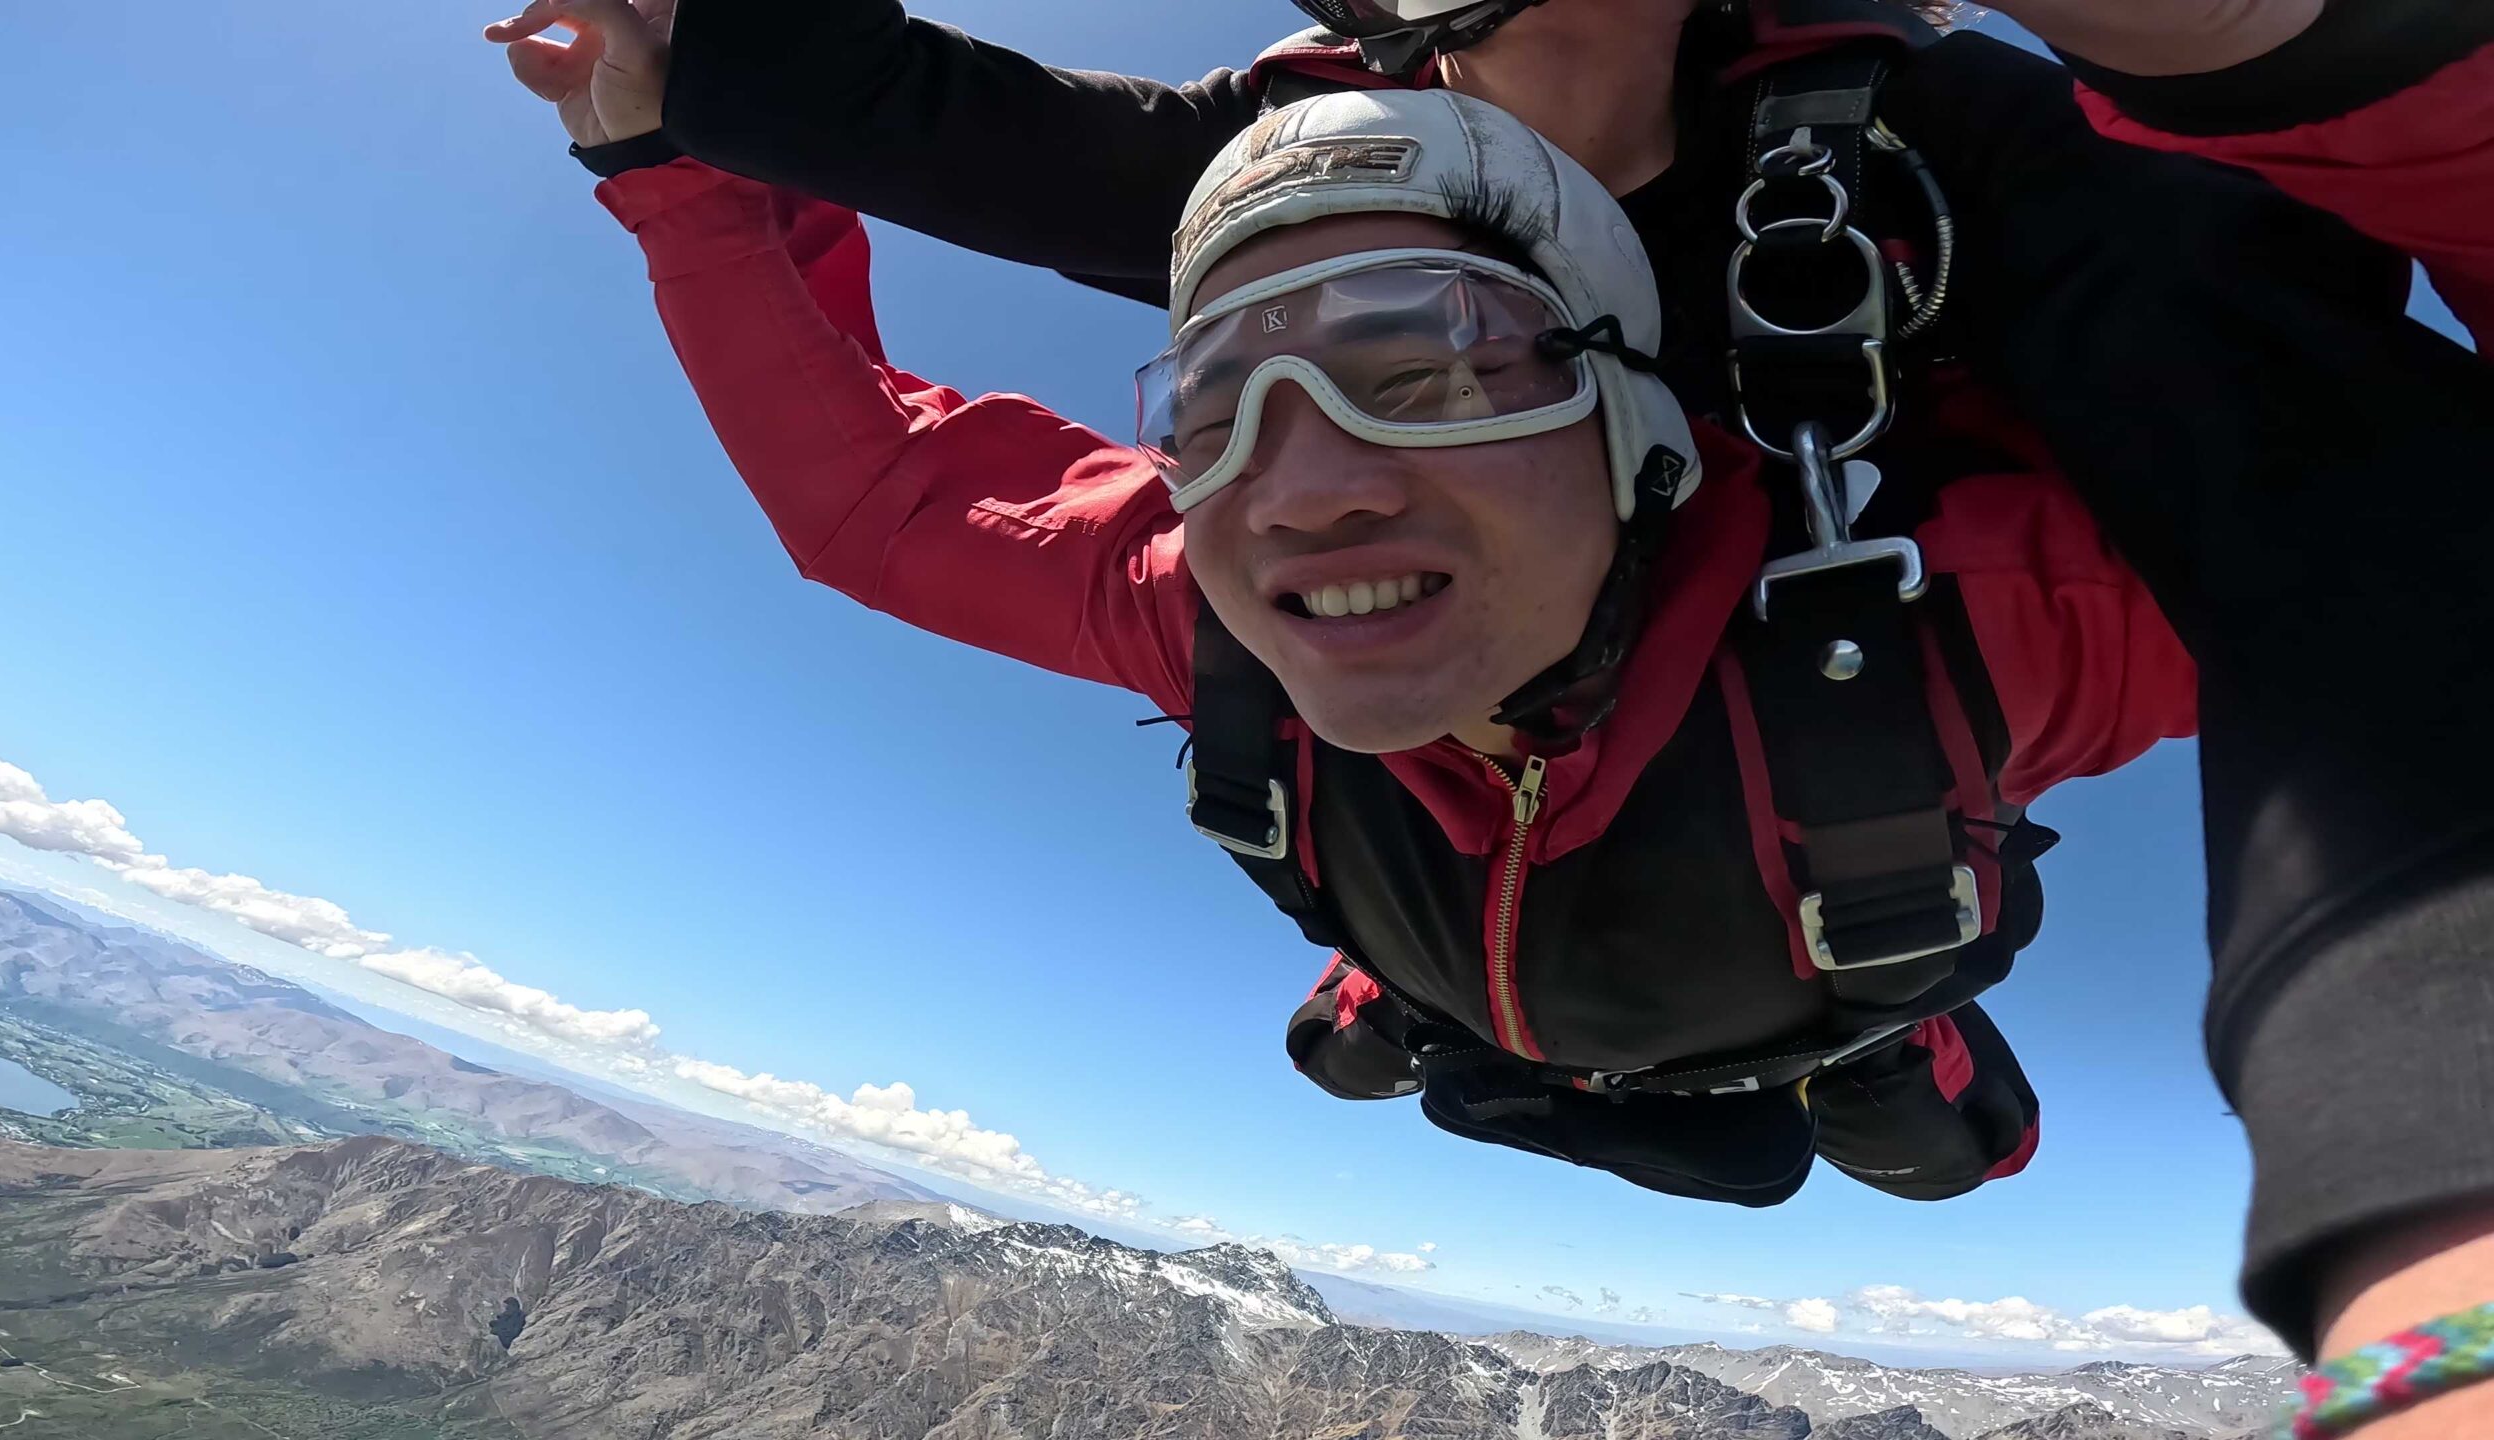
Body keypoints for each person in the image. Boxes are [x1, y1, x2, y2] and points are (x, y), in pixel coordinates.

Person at [491, 3, 2494, 1426]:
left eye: (1419, 361)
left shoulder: (1952, 630)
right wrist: (666, 162)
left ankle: (1866, 1047)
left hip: (1803, 954)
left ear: (1637, 425)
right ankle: (1487, 1017)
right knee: (1466, 1045)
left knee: (1918, 1144)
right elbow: (878, 501)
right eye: (1217, 403)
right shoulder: (1209, 613)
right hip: (1490, 964)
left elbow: (2390, 559)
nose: (1305, 480)